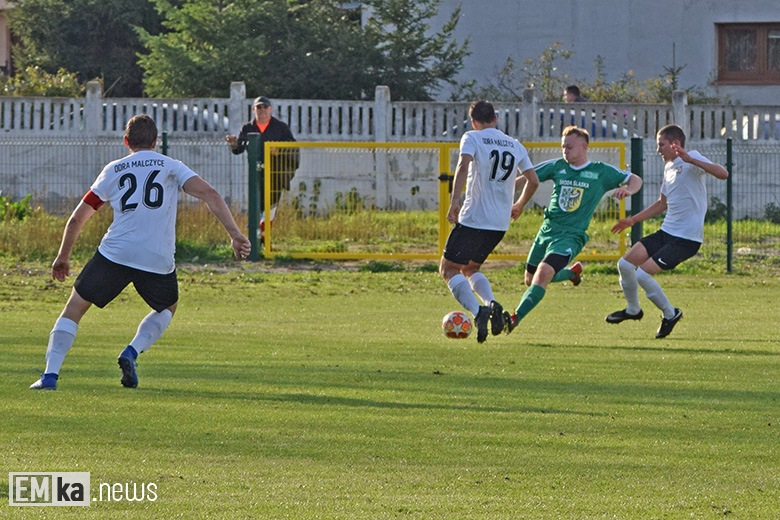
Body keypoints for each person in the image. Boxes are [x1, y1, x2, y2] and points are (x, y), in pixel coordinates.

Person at [30, 114, 251, 390]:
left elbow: (77, 218)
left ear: (126, 141)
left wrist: (63, 256)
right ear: (156, 142)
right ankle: (131, 352)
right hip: (156, 258)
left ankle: (50, 376)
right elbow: (211, 195)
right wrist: (235, 234)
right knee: (167, 307)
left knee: (74, 308)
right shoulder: (171, 166)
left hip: (116, 254)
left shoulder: (114, 169)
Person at [504, 125, 643, 334]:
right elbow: (526, 178)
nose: (564, 150)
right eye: (563, 146)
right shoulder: (557, 166)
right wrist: (500, 191)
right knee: (529, 280)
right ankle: (571, 274)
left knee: (542, 274)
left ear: (584, 147)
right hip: (547, 231)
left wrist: (628, 190)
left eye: (569, 147)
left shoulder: (600, 172)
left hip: (571, 236)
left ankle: (514, 318)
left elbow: (635, 179)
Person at [606, 124, 728, 338]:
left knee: (643, 274)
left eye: (661, 145)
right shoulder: (669, 167)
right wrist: (632, 220)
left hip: (686, 239)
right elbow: (662, 203)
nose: (658, 150)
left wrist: (691, 159)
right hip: (666, 233)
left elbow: (723, 173)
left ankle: (670, 314)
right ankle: (633, 310)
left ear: (675, 144)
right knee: (625, 264)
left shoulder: (692, 158)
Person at [440, 100, 540, 343]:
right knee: (470, 268)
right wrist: (519, 204)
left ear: (473, 121)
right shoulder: (515, 144)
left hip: (474, 217)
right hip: (498, 224)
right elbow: (533, 180)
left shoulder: (472, 137)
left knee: (448, 269)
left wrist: (455, 202)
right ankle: (492, 303)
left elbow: (463, 165)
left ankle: (478, 312)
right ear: (495, 118)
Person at [225, 96, 299, 237]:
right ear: (253, 110)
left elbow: (292, 146)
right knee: (256, 204)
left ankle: (263, 236)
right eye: (259, 107)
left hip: (276, 172)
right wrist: (234, 143)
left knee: (271, 205)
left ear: (270, 109)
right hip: (256, 173)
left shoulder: (281, 127)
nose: (262, 110)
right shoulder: (248, 128)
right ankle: (258, 237)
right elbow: (238, 149)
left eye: (265, 107)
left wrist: (279, 150)